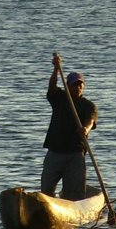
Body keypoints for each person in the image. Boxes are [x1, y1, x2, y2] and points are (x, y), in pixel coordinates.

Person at [41, 53, 98, 200]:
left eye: (80, 84)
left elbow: (90, 120)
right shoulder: (59, 98)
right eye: (74, 84)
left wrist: (85, 129)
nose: (78, 87)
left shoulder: (88, 105)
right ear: (67, 86)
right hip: (55, 152)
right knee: (46, 190)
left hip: (75, 154)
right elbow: (52, 86)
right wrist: (55, 69)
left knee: (75, 195)